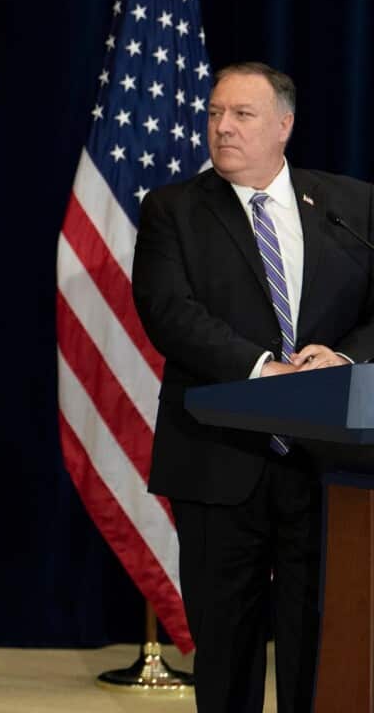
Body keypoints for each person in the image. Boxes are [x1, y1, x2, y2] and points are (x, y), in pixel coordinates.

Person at [133, 62, 374, 711]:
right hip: (218, 458)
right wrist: (266, 369)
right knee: (227, 648)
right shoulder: (173, 209)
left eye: (242, 114)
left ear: (284, 126)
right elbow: (168, 313)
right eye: (215, 113)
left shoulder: (352, 206)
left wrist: (344, 358)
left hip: (328, 465)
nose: (223, 127)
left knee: (320, 645)